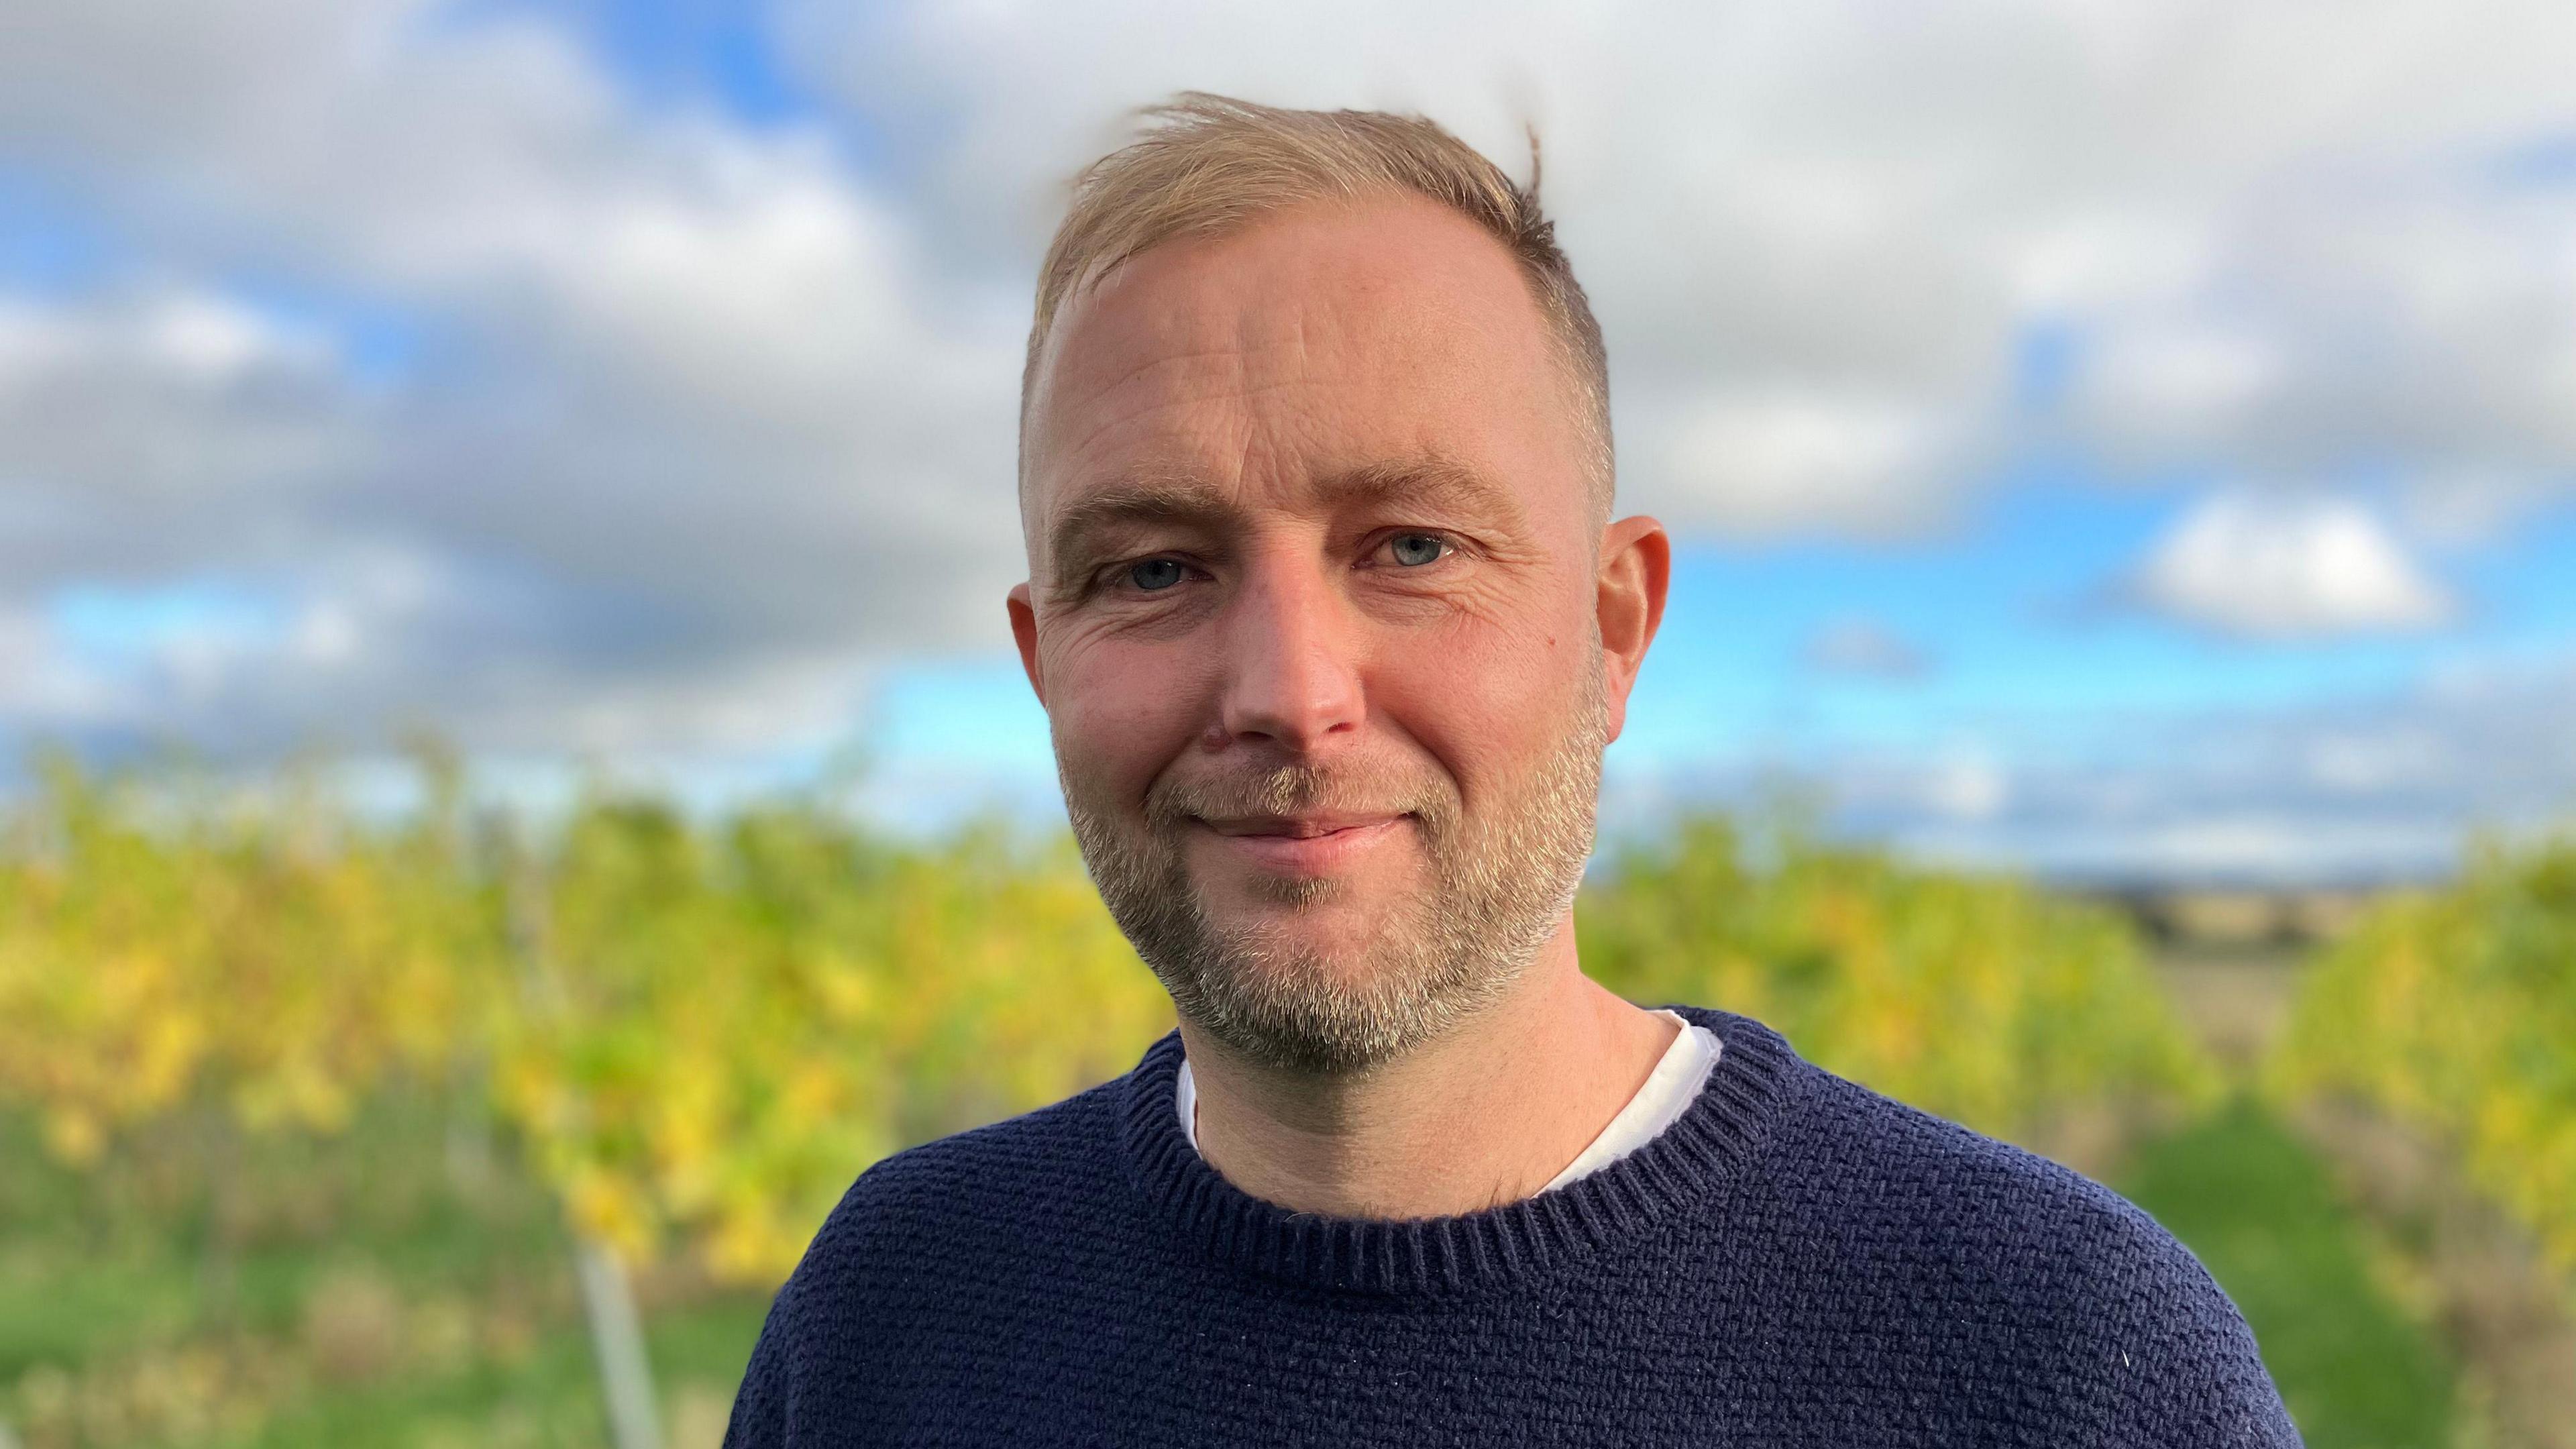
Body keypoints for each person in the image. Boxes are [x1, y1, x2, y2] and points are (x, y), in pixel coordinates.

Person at [724, 93, 2302, 1448]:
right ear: (1042, 658)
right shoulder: (889, 1316)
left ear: (1613, 629)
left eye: (1412, 546)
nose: (1289, 695)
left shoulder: (2061, 1364)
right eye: (1152, 569)